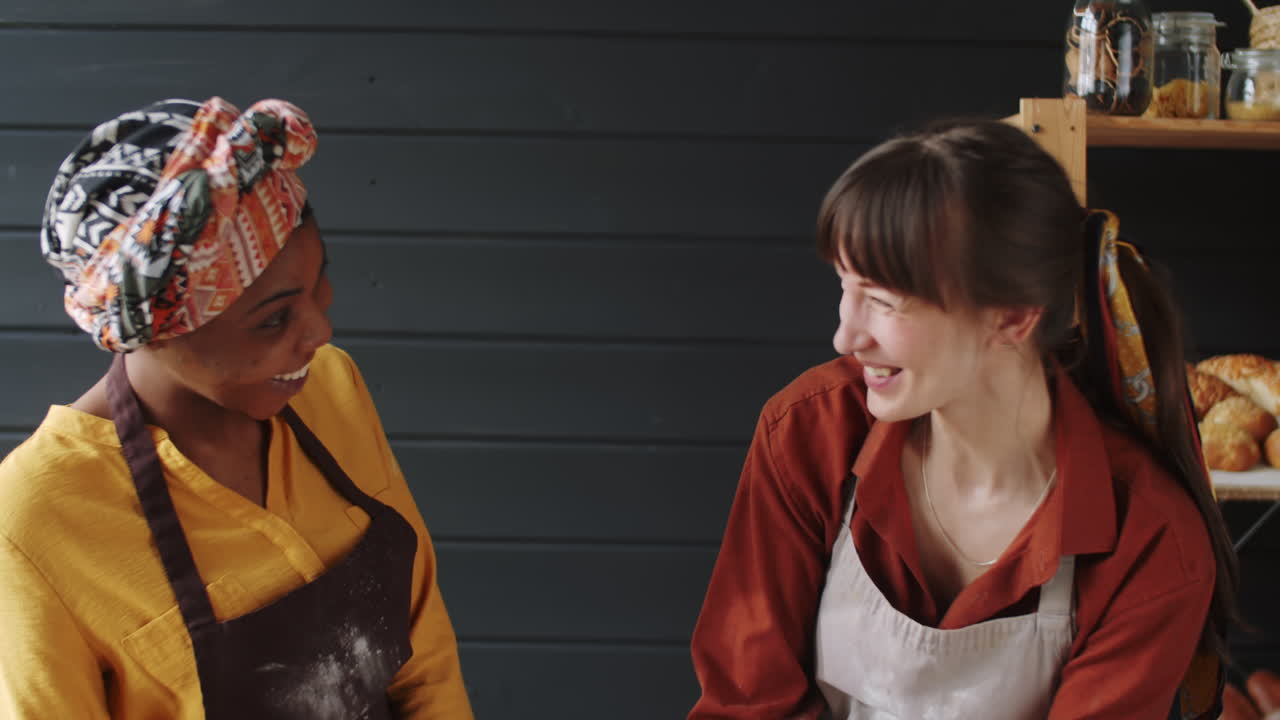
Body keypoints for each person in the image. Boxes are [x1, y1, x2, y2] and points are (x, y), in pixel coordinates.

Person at [687, 119, 1239, 719]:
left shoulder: (1151, 540)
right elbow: (747, 704)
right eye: (845, 287)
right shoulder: (809, 431)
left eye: (883, 301)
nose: (846, 336)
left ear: (1013, 317)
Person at [0, 98, 474, 719]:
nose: (320, 331)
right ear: (155, 332)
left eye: (319, 282)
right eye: (274, 319)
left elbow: (423, 650)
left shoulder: (330, 386)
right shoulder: (34, 520)